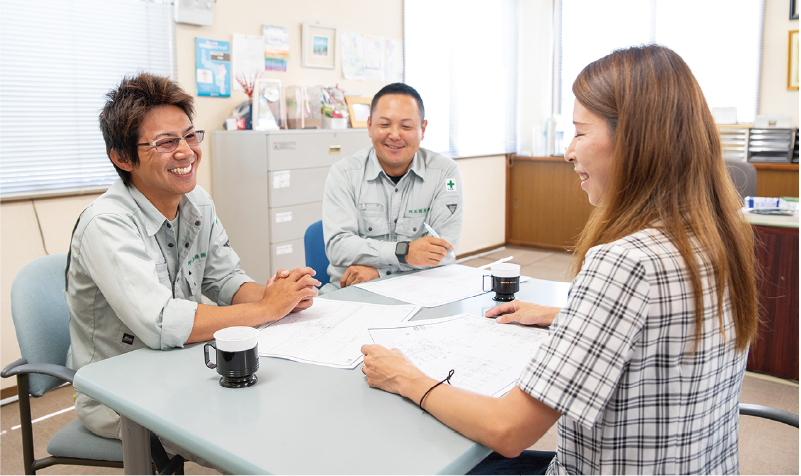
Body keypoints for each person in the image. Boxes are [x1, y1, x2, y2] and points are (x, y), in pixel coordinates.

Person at [361, 45, 758, 474]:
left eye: (580, 132)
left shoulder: (624, 262)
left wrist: (404, 376)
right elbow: (663, 326)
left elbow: (508, 429)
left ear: (635, 140)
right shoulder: (719, 233)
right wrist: (567, 315)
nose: (569, 151)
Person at [66, 73, 319, 441]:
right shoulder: (107, 224)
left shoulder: (196, 202)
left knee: (288, 398)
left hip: (180, 364)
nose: (186, 151)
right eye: (166, 142)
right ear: (123, 157)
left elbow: (224, 280)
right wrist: (267, 310)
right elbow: (161, 323)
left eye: (189, 135)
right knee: (258, 430)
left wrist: (277, 296)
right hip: (119, 394)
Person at [321, 82, 463, 292]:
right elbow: (338, 247)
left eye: (406, 127)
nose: (395, 135)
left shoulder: (445, 174)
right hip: (354, 289)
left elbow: (443, 252)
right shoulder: (344, 174)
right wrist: (404, 252)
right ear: (369, 126)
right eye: (384, 125)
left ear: (422, 129)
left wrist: (381, 272)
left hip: (422, 288)